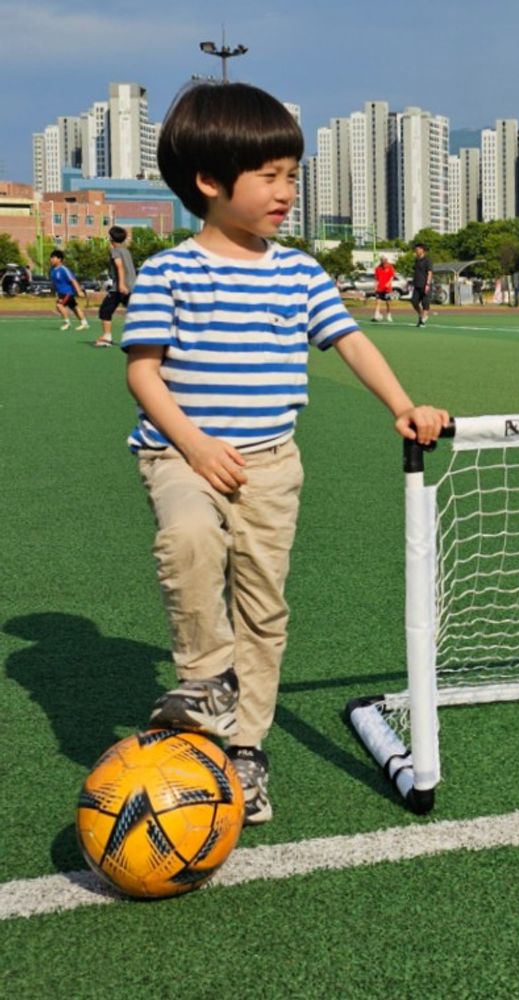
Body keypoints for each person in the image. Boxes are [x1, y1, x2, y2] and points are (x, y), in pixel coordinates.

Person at [120, 81, 449, 825]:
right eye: (268, 175)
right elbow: (142, 369)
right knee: (189, 538)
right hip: (181, 455)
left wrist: (403, 405)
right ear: (209, 182)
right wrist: (195, 444)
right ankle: (206, 682)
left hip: (272, 464)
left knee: (264, 610)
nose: (285, 191)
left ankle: (245, 751)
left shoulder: (299, 272)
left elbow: (351, 341)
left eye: (292, 175)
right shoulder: (171, 271)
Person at [94, 225, 136, 347]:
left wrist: (121, 284)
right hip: (132, 286)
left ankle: (107, 337)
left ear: (111, 238)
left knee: (105, 310)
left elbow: (119, 266)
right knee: (135, 312)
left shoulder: (115, 251)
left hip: (120, 288)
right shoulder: (126, 251)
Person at [49, 250, 89, 331]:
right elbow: (56, 283)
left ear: (59, 259)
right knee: (74, 307)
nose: (51, 259)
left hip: (68, 292)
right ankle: (84, 323)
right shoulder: (52, 270)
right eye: (51, 258)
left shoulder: (64, 269)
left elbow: (73, 280)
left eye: (53, 258)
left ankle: (67, 323)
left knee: (59, 306)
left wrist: (79, 291)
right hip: (61, 293)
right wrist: (56, 293)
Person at [411, 242, 433, 327]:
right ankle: (421, 315)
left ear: (422, 250)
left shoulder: (428, 260)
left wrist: (428, 284)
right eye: (415, 249)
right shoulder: (416, 260)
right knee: (414, 301)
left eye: (418, 249)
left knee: (425, 303)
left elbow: (430, 273)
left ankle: (423, 319)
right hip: (417, 285)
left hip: (425, 285)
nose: (416, 251)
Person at [372, 253, 396, 322]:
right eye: (382, 260)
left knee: (388, 303)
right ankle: (376, 314)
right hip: (380, 288)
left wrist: (389, 283)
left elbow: (392, 276)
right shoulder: (377, 268)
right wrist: (375, 286)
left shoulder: (390, 267)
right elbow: (376, 279)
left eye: (384, 260)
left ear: (386, 260)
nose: (383, 261)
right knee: (378, 302)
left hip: (387, 289)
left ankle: (389, 315)